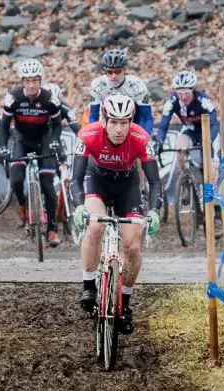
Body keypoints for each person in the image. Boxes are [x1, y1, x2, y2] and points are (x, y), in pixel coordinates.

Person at [70, 94, 163, 335]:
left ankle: (126, 305)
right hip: (96, 181)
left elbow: (154, 181)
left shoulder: (142, 138)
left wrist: (154, 211)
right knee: (95, 226)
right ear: (104, 120)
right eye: (113, 122)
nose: (119, 129)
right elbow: (76, 179)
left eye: (124, 122)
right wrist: (79, 205)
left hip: (127, 186)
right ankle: (89, 285)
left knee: (133, 245)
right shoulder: (87, 135)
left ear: (131, 122)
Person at [0, 59, 67, 247]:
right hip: (21, 139)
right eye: (27, 81)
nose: (30, 85)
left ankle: (52, 230)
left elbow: (58, 125)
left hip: (43, 139)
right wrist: (2, 146)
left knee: (47, 185)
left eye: (35, 80)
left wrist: (54, 142)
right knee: (17, 179)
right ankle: (22, 204)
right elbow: (4, 127)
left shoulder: (49, 98)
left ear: (40, 80)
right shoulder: (13, 97)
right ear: (22, 81)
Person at [154, 71, 220, 174]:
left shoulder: (203, 100)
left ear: (193, 90)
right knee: (180, 152)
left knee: (211, 172)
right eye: (180, 94)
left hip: (208, 131)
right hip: (190, 130)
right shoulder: (172, 101)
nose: (184, 97)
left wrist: (209, 140)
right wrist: (159, 141)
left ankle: (212, 185)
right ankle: (187, 181)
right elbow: (163, 126)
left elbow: (214, 124)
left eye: (187, 93)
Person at [88, 49, 152, 135]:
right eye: (109, 72)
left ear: (124, 70)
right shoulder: (97, 84)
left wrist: (144, 137)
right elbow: (93, 117)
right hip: (109, 120)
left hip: (133, 121)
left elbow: (146, 118)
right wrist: (94, 136)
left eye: (118, 71)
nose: (113, 76)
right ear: (105, 71)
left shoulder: (138, 85)